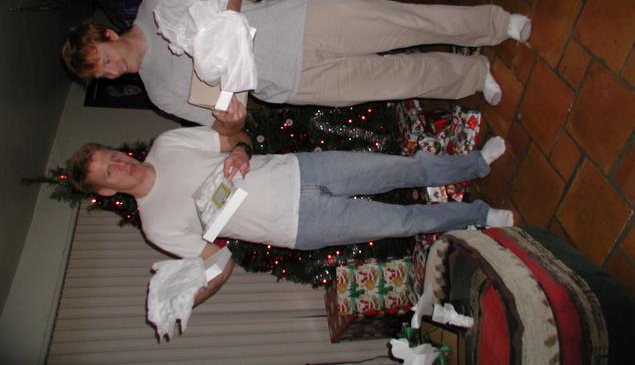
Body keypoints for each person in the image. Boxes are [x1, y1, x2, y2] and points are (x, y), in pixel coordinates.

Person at [67, 126, 513, 304]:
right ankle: (478, 215)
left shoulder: (166, 144)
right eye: (110, 171)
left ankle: (475, 164)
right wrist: (191, 296)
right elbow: (217, 261)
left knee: (401, 168)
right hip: (300, 225)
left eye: (113, 155)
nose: (120, 164)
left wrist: (239, 151)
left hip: (302, 169)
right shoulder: (156, 226)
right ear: (106, 189)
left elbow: (234, 137)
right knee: (403, 222)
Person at [62, 0, 532, 130]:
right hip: (293, 83)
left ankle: (494, 24)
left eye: (104, 61)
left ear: (108, 35)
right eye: (102, 75)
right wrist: (231, 116)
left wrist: (228, 23)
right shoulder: (159, 92)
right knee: (397, 80)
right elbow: (226, 119)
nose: (111, 72)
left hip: (299, 24)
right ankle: (473, 76)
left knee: (405, 23)